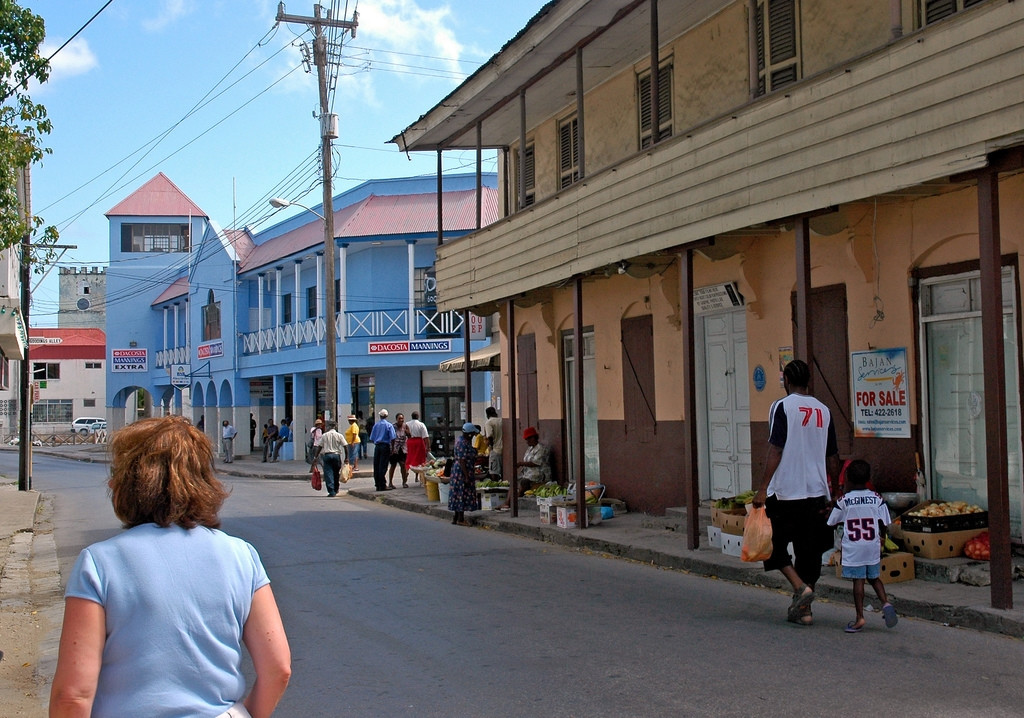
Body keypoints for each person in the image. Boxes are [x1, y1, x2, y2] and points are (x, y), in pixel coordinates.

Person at [49, 416, 291, 718]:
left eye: (116, 473)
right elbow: (278, 668)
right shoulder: (242, 556)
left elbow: (73, 696)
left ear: (130, 483)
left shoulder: (99, 563)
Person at [752, 359, 841, 627]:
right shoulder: (824, 411)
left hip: (786, 491)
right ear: (808, 382)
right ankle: (804, 610)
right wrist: (835, 490)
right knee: (809, 550)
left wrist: (763, 487)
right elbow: (832, 456)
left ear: (787, 381)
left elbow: (776, 449)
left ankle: (800, 589)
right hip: (816, 492)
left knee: (772, 544)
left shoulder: (782, 407)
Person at [827, 459, 898, 632]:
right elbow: (885, 522)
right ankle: (886, 603)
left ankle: (859, 617)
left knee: (858, 581)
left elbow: (831, 522)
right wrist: (881, 536)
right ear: (868, 478)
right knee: (874, 577)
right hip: (872, 545)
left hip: (854, 547)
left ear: (848, 478)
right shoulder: (876, 499)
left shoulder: (844, 500)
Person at [448, 422, 481, 526]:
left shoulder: (461, 440)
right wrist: (466, 476)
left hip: (459, 470)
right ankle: (461, 519)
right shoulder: (463, 443)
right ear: (469, 434)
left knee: (458, 494)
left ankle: (456, 517)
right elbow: (462, 460)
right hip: (462, 472)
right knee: (462, 494)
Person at [516, 426, 552, 495]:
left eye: (529, 439)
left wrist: (521, 463)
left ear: (534, 438)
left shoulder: (541, 449)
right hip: (529, 474)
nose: (527, 441)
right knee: (514, 481)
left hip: (540, 475)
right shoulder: (529, 449)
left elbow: (535, 462)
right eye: (526, 439)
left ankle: (518, 496)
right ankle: (508, 501)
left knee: (524, 482)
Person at [318, 420, 349, 498]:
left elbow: (319, 446)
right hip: (336, 456)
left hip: (327, 455)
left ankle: (331, 491)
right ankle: (336, 488)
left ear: (328, 427)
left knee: (328, 474)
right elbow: (345, 446)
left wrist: (315, 457)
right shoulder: (339, 435)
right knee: (336, 473)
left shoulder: (324, 435)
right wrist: (346, 457)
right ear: (335, 427)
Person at [369, 409, 396, 491]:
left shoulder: (376, 425)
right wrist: (392, 448)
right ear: (386, 416)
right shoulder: (389, 425)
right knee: (383, 466)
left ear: (380, 416)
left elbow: (372, 438)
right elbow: (393, 438)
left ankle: (377, 484)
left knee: (376, 466)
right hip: (385, 446)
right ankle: (382, 485)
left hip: (377, 446)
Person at [388, 413, 412, 488]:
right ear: (396, 419)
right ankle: (390, 483)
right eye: (399, 419)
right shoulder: (393, 426)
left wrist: (408, 433)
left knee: (403, 465)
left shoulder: (405, 426)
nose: (401, 420)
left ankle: (404, 482)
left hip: (403, 449)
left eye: (402, 418)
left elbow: (409, 436)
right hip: (394, 448)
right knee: (393, 465)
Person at [405, 411, 429, 479]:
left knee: (409, 457)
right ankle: (418, 477)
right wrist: (428, 446)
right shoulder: (421, 424)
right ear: (418, 416)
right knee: (420, 459)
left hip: (410, 442)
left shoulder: (407, 424)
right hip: (419, 442)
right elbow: (426, 437)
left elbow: (405, 433)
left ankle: (407, 471)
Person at [483, 406, 503, 481]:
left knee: (494, 472)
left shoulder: (489, 422)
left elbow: (490, 436)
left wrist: (490, 446)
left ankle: (495, 488)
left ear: (487, 415)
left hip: (495, 450)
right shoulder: (501, 420)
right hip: (504, 449)